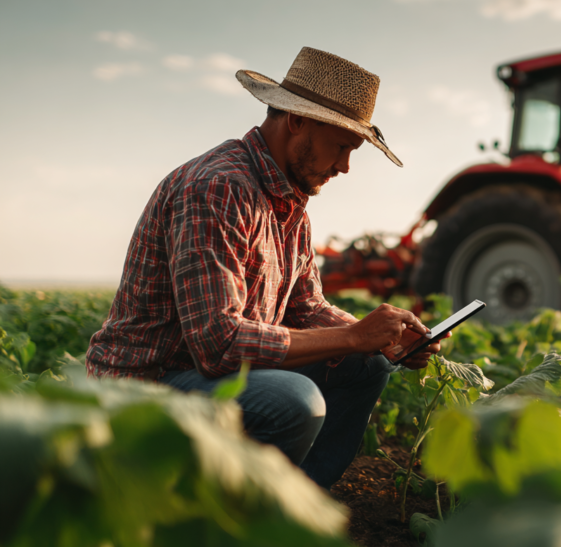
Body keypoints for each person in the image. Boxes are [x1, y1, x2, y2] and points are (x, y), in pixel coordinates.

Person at [86, 47, 441, 489]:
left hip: (209, 375)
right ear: (297, 121)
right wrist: (354, 336)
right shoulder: (218, 187)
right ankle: (229, 516)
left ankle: (295, 506)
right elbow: (219, 346)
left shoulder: (290, 205)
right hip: (147, 384)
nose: (346, 167)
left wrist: (383, 339)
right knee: (292, 399)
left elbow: (307, 308)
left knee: (367, 365)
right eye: (341, 147)